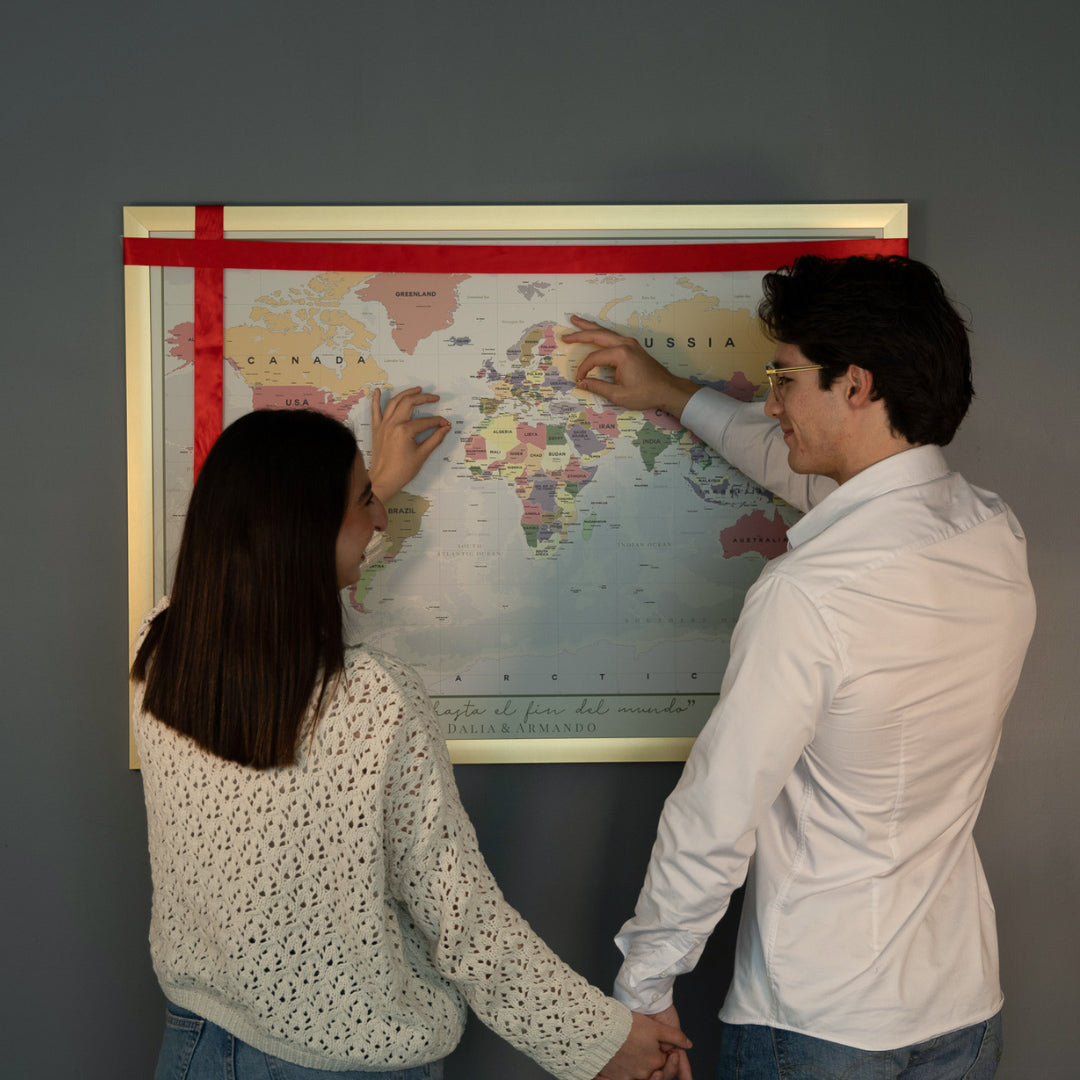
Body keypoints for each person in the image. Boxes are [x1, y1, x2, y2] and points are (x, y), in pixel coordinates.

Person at [563, 254, 1036, 1080]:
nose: (772, 403)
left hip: (821, 1022)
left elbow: (716, 812)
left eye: (783, 380)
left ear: (856, 385)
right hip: (963, 1007)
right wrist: (670, 391)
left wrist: (644, 989)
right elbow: (834, 482)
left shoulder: (809, 594)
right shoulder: (992, 531)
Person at [131, 387, 691, 1080]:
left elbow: (263, 564)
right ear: (308, 527)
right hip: (342, 1066)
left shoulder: (161, 650)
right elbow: (462, 919)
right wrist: (598, 1040)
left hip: (196, 1046)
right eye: (365, 500)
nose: (381, 518)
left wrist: (373, 484)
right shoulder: (373, 698)